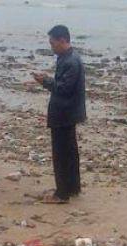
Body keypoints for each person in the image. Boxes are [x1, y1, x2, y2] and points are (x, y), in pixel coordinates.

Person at [32, 25, 86, 204]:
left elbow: (63, 89)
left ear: (63, 40)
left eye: (52, 43)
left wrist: (45, 81)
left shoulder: (71, 61)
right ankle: (72, 187)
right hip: (68, 112)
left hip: (64, 113)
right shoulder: (67, 58)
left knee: (62, 154)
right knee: (70, 152)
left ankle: (62, 194)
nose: (51, 47)